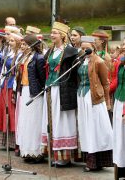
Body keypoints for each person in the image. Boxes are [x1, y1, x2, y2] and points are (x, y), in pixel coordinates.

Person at [42, 22, 79, 167]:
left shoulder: (70, 51)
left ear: (63, 36)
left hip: (62, 89)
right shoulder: (51, 50)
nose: (51, 35)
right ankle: (54, 153)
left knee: (61, 119)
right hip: (50, 87)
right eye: (51, 33)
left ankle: (64, 156)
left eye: (55, 33)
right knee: (51, 119)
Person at [77, 35, 113, 172]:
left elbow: (105, 84)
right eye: (82, 48)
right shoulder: (81, 61)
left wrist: (108, 103)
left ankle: (95, 161)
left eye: (87, 48)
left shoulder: (99, 61)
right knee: (86, 128)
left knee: (94, 129)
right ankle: (89, 159)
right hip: (82, 97)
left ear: (93, 47)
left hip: (94, 99)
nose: (85, 50)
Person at [16, 35, 46, 163]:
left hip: (35, 92)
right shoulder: (25, 57)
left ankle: (36, 152)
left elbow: (42, 77)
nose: (23, 46)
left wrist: (39, 92)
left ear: (31, 45)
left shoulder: (39, 58)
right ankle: (26, 150)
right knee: (26, 121)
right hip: (25, 89)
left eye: (25, 44)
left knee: (34, 122)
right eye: (22, 44)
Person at [0, 31, 23, 150]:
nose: (9, 42)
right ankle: (5, 140)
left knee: (11, 111)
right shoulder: (9, 53)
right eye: (9, 40)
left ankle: (13, 141)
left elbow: (17, 72)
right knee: (4, 110)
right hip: (5, 84)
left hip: (12, 84)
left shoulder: (19, 55)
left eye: (12, 41)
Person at [113, 38, 125, 179]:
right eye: (122, 44)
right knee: (120, 138)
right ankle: (122, 169)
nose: (123, 46)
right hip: (119, 100)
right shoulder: (122, 61)